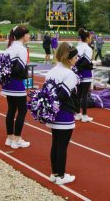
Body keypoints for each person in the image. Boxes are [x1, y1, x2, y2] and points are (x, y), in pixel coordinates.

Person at [45, 42, 79, 185]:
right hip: (64, 114)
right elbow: (63, 96)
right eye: (75, 57)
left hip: (53, 113)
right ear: (69, 58)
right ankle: (61, 176)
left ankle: (54, 173)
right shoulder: (69, 74)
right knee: (62, 146)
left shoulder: (51, 71)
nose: (77, 59)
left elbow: (48, 94)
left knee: (55, 143)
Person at [1, 25, 31, 148]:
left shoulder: (10, 47)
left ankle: (9, 138)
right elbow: (20, 69)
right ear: (23, 36)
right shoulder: (21, 49)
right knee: (22, 110)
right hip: (17, 83)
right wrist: (25, 77)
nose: (29, 36)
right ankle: (17, 139)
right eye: (28, 34)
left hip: (7, 82)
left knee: (11, 110)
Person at [75, 28, 94, 122]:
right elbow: (86, 62)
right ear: (86, 38)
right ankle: (85, 115)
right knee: (85, 95)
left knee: (78, 94)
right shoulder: (88, 49)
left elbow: (76, 62)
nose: (91, 38)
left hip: (77, 73)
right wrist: (91, 65)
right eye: (90, 37)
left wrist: (77, 69)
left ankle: (78, 114)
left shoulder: (77, 47)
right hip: (86, 74)